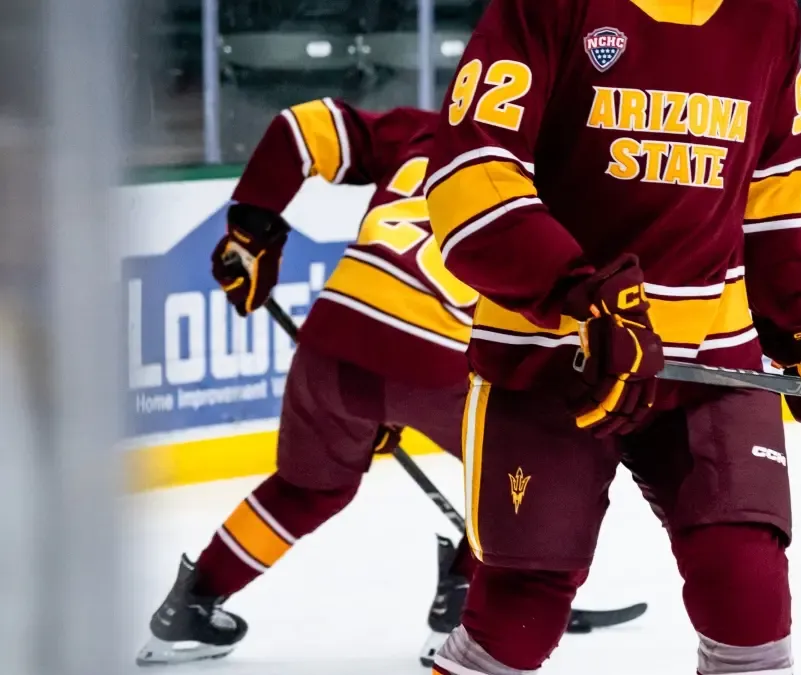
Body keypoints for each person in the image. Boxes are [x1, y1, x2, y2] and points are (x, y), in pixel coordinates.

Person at [423, 0, 801, 673]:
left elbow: (770, 200)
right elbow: (468, 177)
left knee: (749, 599)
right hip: (557, 360)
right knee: (517, 614)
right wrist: (583, 298)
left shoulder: (770, 16)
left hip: (713, 360)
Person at [135, 99, 638, 668]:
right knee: (521, 473)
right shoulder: (562, 174)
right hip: (438, 356)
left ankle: (192, 606)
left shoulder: (424, 129)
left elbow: (300, 129)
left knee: (308, 488)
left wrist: (252, 227)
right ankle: (462, 603)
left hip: (332, 341)